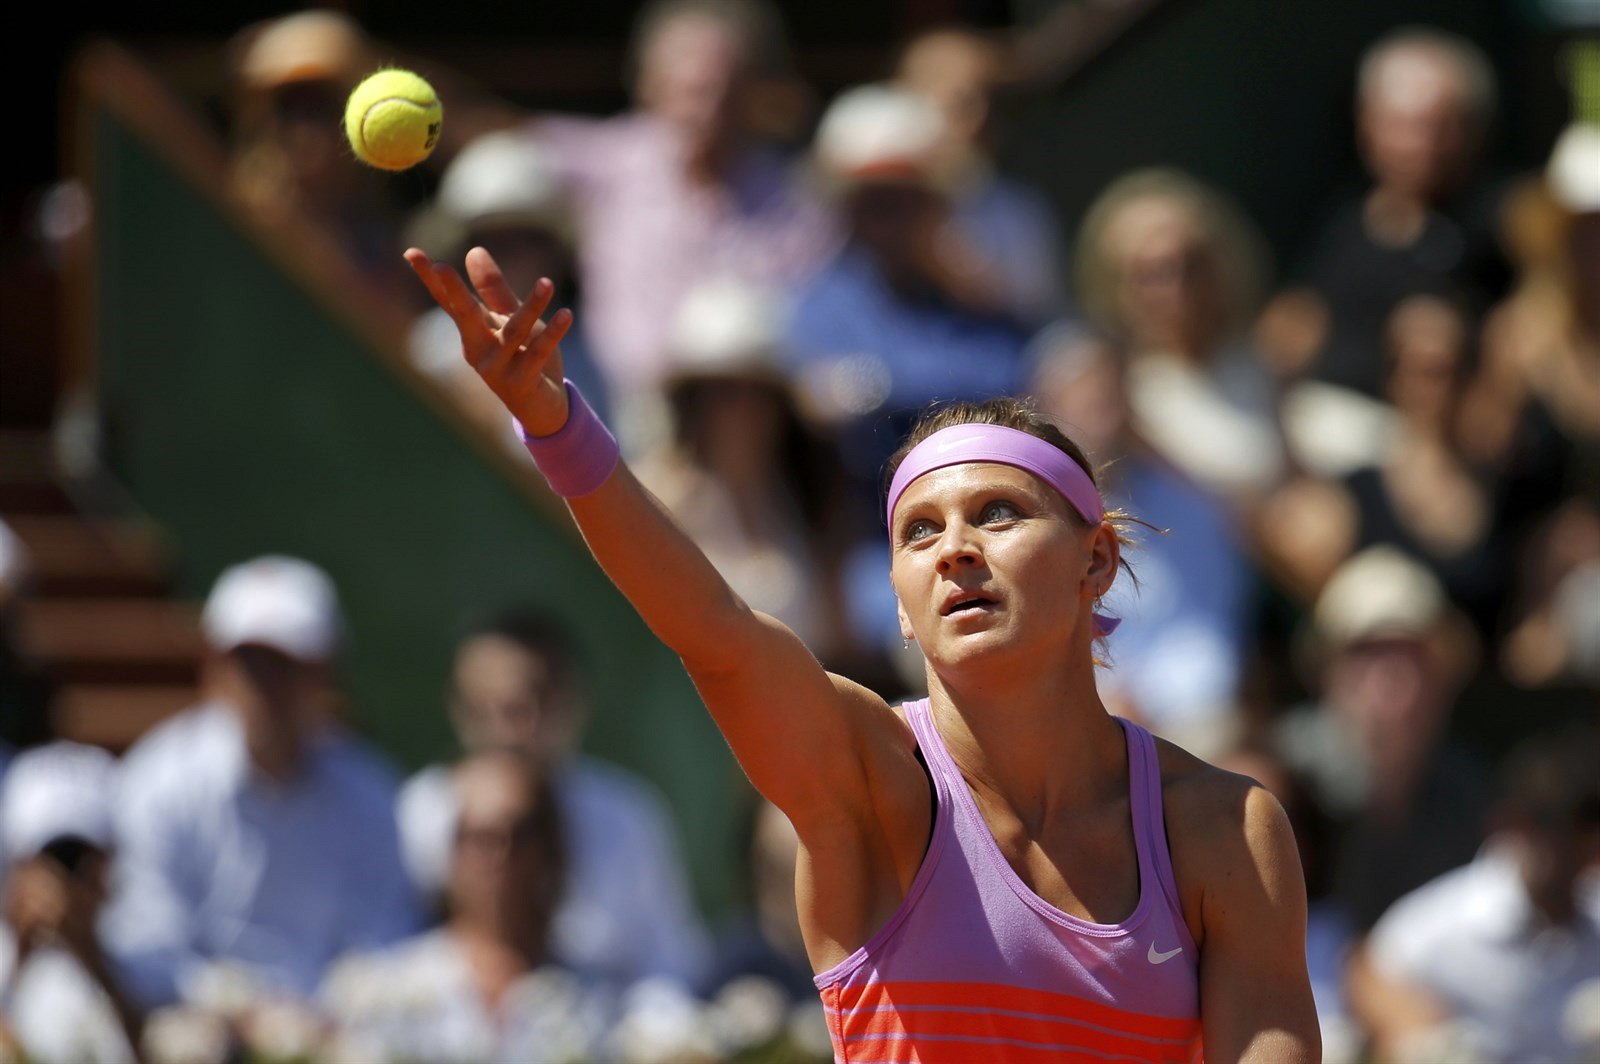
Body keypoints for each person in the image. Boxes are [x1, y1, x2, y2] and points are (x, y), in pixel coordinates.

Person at [403, 241, 1320, 1059]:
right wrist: (556, 426)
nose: (955, 549)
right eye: (919, 531)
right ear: (902, 608)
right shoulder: (865, 781)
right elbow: (714, 629)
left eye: (998, 512)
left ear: (1096, 560)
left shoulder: (1228, 830)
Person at [104, 555, 420, 1009]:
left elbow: (384, 940)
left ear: (325, 673)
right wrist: (226, 1008)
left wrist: (324, 1020)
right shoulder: (157, 782)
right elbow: (148, 940)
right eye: (248, 662)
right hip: (191, 1027)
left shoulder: (372, 793)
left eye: (285, 664)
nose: (265, 685)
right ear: (212, 667)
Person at [396, 610, 710, 989]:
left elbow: (671, 966)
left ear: (572, 701)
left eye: (526, 705)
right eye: (484, 707)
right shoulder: (414, 813)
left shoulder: (629, 816)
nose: (506, 730)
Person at [324, 751, 610, 1063]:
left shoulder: (591, 1001)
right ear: (448, 849)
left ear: (550, 850)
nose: (500, 855)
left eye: (521, 834)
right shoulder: (387, 992)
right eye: (480, 837)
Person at [1346, 724, 1600, 1064]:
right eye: (1567, 841)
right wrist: (1427, 1037)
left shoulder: (1594, 906)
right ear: (1516, 826)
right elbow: (1367, 971)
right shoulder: (1448, 919)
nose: (1585, 860)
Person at [0, 743, 141, 1063]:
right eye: (50, 856)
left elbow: (149, 1050)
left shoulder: (142, 955)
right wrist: (22, 950)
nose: (64, 878)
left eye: (80, 857)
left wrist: (88, 954)